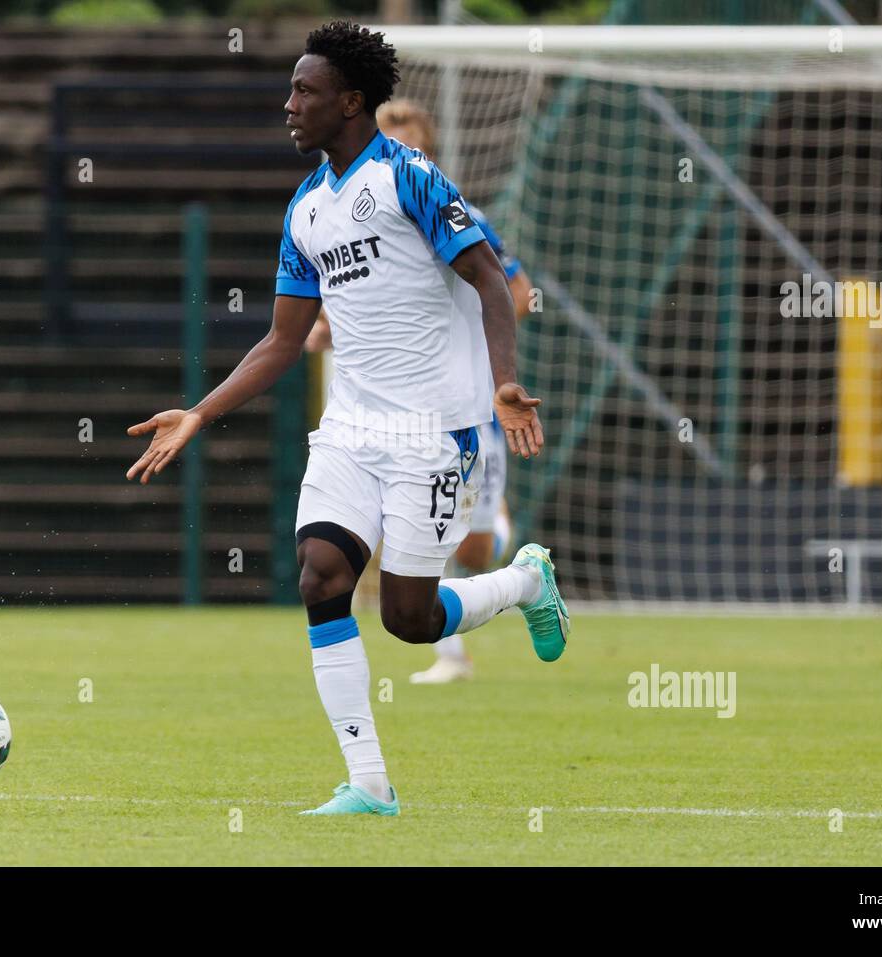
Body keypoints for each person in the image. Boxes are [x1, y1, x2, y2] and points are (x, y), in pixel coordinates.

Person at [126, 21, 569, 816]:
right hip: (350, 431)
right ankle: (369, 784)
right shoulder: (305, 209)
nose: (289, 104)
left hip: (433, 434)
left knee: (409, 617)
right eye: (291, 89)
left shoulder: (411, 178)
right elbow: (281, 340)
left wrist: (505, 381)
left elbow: (492, 280)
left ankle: (526, 580)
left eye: (305, 91)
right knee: (320, 577)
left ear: (351, 102)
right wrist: (199, 412)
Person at [304, 99, 535, 684]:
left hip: (471, 410)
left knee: (478, 551)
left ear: (425, 146)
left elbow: (519, 293)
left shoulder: (460, 213)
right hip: (391, 424)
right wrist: (323, 332)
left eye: (407, 134)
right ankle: (452, 658)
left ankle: (514, 557)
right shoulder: (341, 216)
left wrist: (474, 340)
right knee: (373, 558)